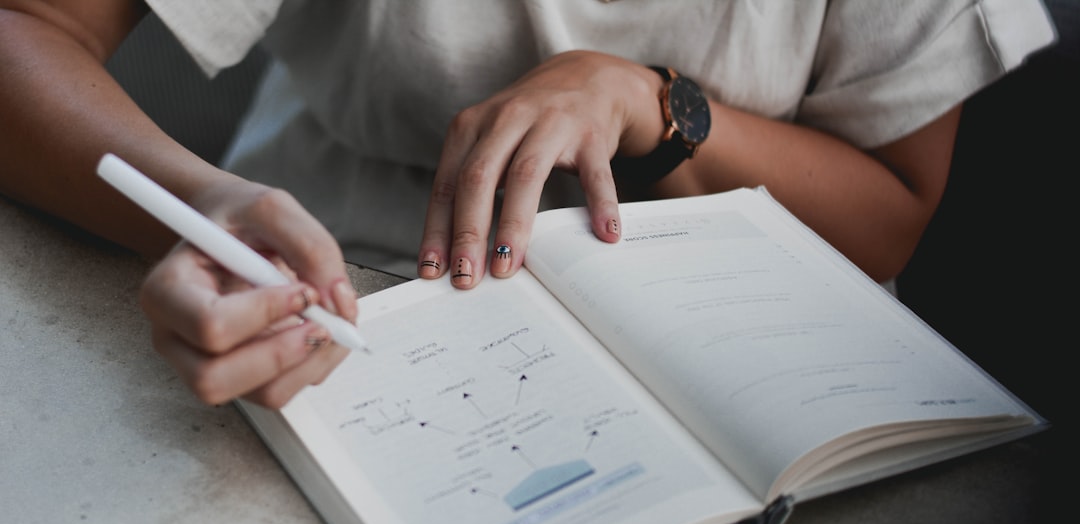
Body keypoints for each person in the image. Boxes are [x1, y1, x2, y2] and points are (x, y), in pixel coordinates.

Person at [0, 0, 1056, 408]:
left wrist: (659, 110)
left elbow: (895, 211)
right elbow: (28, 27)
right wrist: (201, 203)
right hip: (332, 276)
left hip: (748, 350)